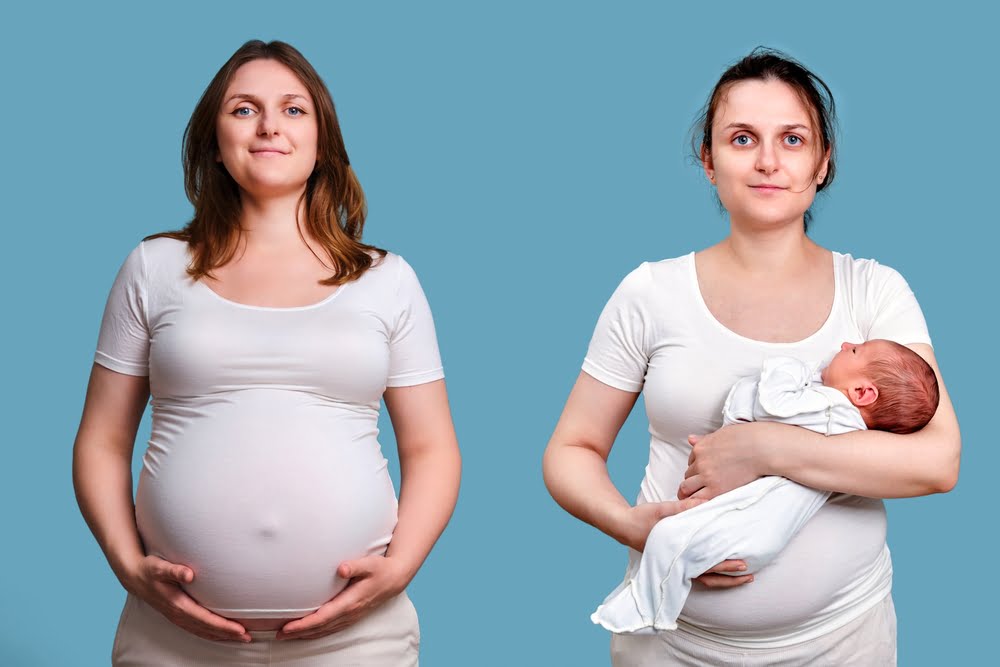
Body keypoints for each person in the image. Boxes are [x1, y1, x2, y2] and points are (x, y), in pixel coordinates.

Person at [543, 48, 960, 666]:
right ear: (709, 162)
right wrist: (635, 528)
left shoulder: (875, 291)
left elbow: (937, 462)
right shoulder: (651, 293)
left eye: (792, 139)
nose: (768, 161)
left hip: (845, 642)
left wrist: (767, 449)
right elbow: (569, 451)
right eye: (742, 139)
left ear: (823, 163)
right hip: (671, 646)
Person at [72, 40, 460, 666]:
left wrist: (402, 566)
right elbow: (100, 440)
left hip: (358, 640)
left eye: (293, 109)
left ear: (322, 138)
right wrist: (125, 564)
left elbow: (432, 448)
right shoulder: (154, 267)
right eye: (245, 109)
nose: (270, 126)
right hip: (172, 640)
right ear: (214, 138)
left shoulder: (387, 279)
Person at [592, 340, 940, 635]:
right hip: (715, 602)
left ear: (862, 393)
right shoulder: (842, 420)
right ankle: (650, 602)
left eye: (855, 352)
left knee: (671, 538)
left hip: (831, 616)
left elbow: (772, 404)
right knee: (674, 541)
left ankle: (647, 608)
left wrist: (787, 368)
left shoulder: (833, 409)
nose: (846, 344)